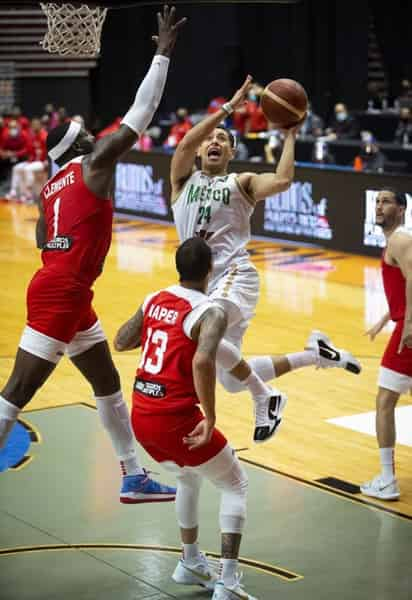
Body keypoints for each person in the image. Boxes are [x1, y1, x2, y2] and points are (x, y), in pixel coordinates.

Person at [0, 5, 186, 503]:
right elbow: (140, 115)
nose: (92, 133)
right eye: (85, 133)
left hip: (67, 288)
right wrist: (162, 56)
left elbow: (43, 239)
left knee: (106, 381)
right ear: (79, 145)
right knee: (17, 392)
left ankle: (132, 474)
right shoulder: (93, 163)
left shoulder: (51, 188)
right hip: (62, 291)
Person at [169, 76, 361, 440]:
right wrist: (227, 109)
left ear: (231, 153)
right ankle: (315, 354)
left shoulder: (241, 182)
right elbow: (184, 146)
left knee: (203, 338)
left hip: (234, 276)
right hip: (203, 284)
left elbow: (283, 180)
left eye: (223, 139)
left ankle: (267, 396)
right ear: (198, 151)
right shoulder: (182, 181)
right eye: (210, 139)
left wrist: (289, 135)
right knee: (229, 379)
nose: (214, 141)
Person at [114, 237, 257, 600]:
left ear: (178, 266)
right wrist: (209, 416)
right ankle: (227, 582)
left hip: (142, 417)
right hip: (174, 418)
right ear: (211, 270)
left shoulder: (154, 297)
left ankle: (190, 560)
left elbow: (121, 341)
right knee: (235, 484)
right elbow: (203, 360)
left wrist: (156, 326)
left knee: (189, 477)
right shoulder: (212, 311)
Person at [361, 189, 410, 501]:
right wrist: (386, 317)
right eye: (377, 201)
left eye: (387, 201)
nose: (379, 206)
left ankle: (387, 479)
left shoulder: (400, 240)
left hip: (409, 334)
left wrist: (408, 323)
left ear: (402, 209)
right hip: (404, 324)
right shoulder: (396, 240)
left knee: (384, 402)